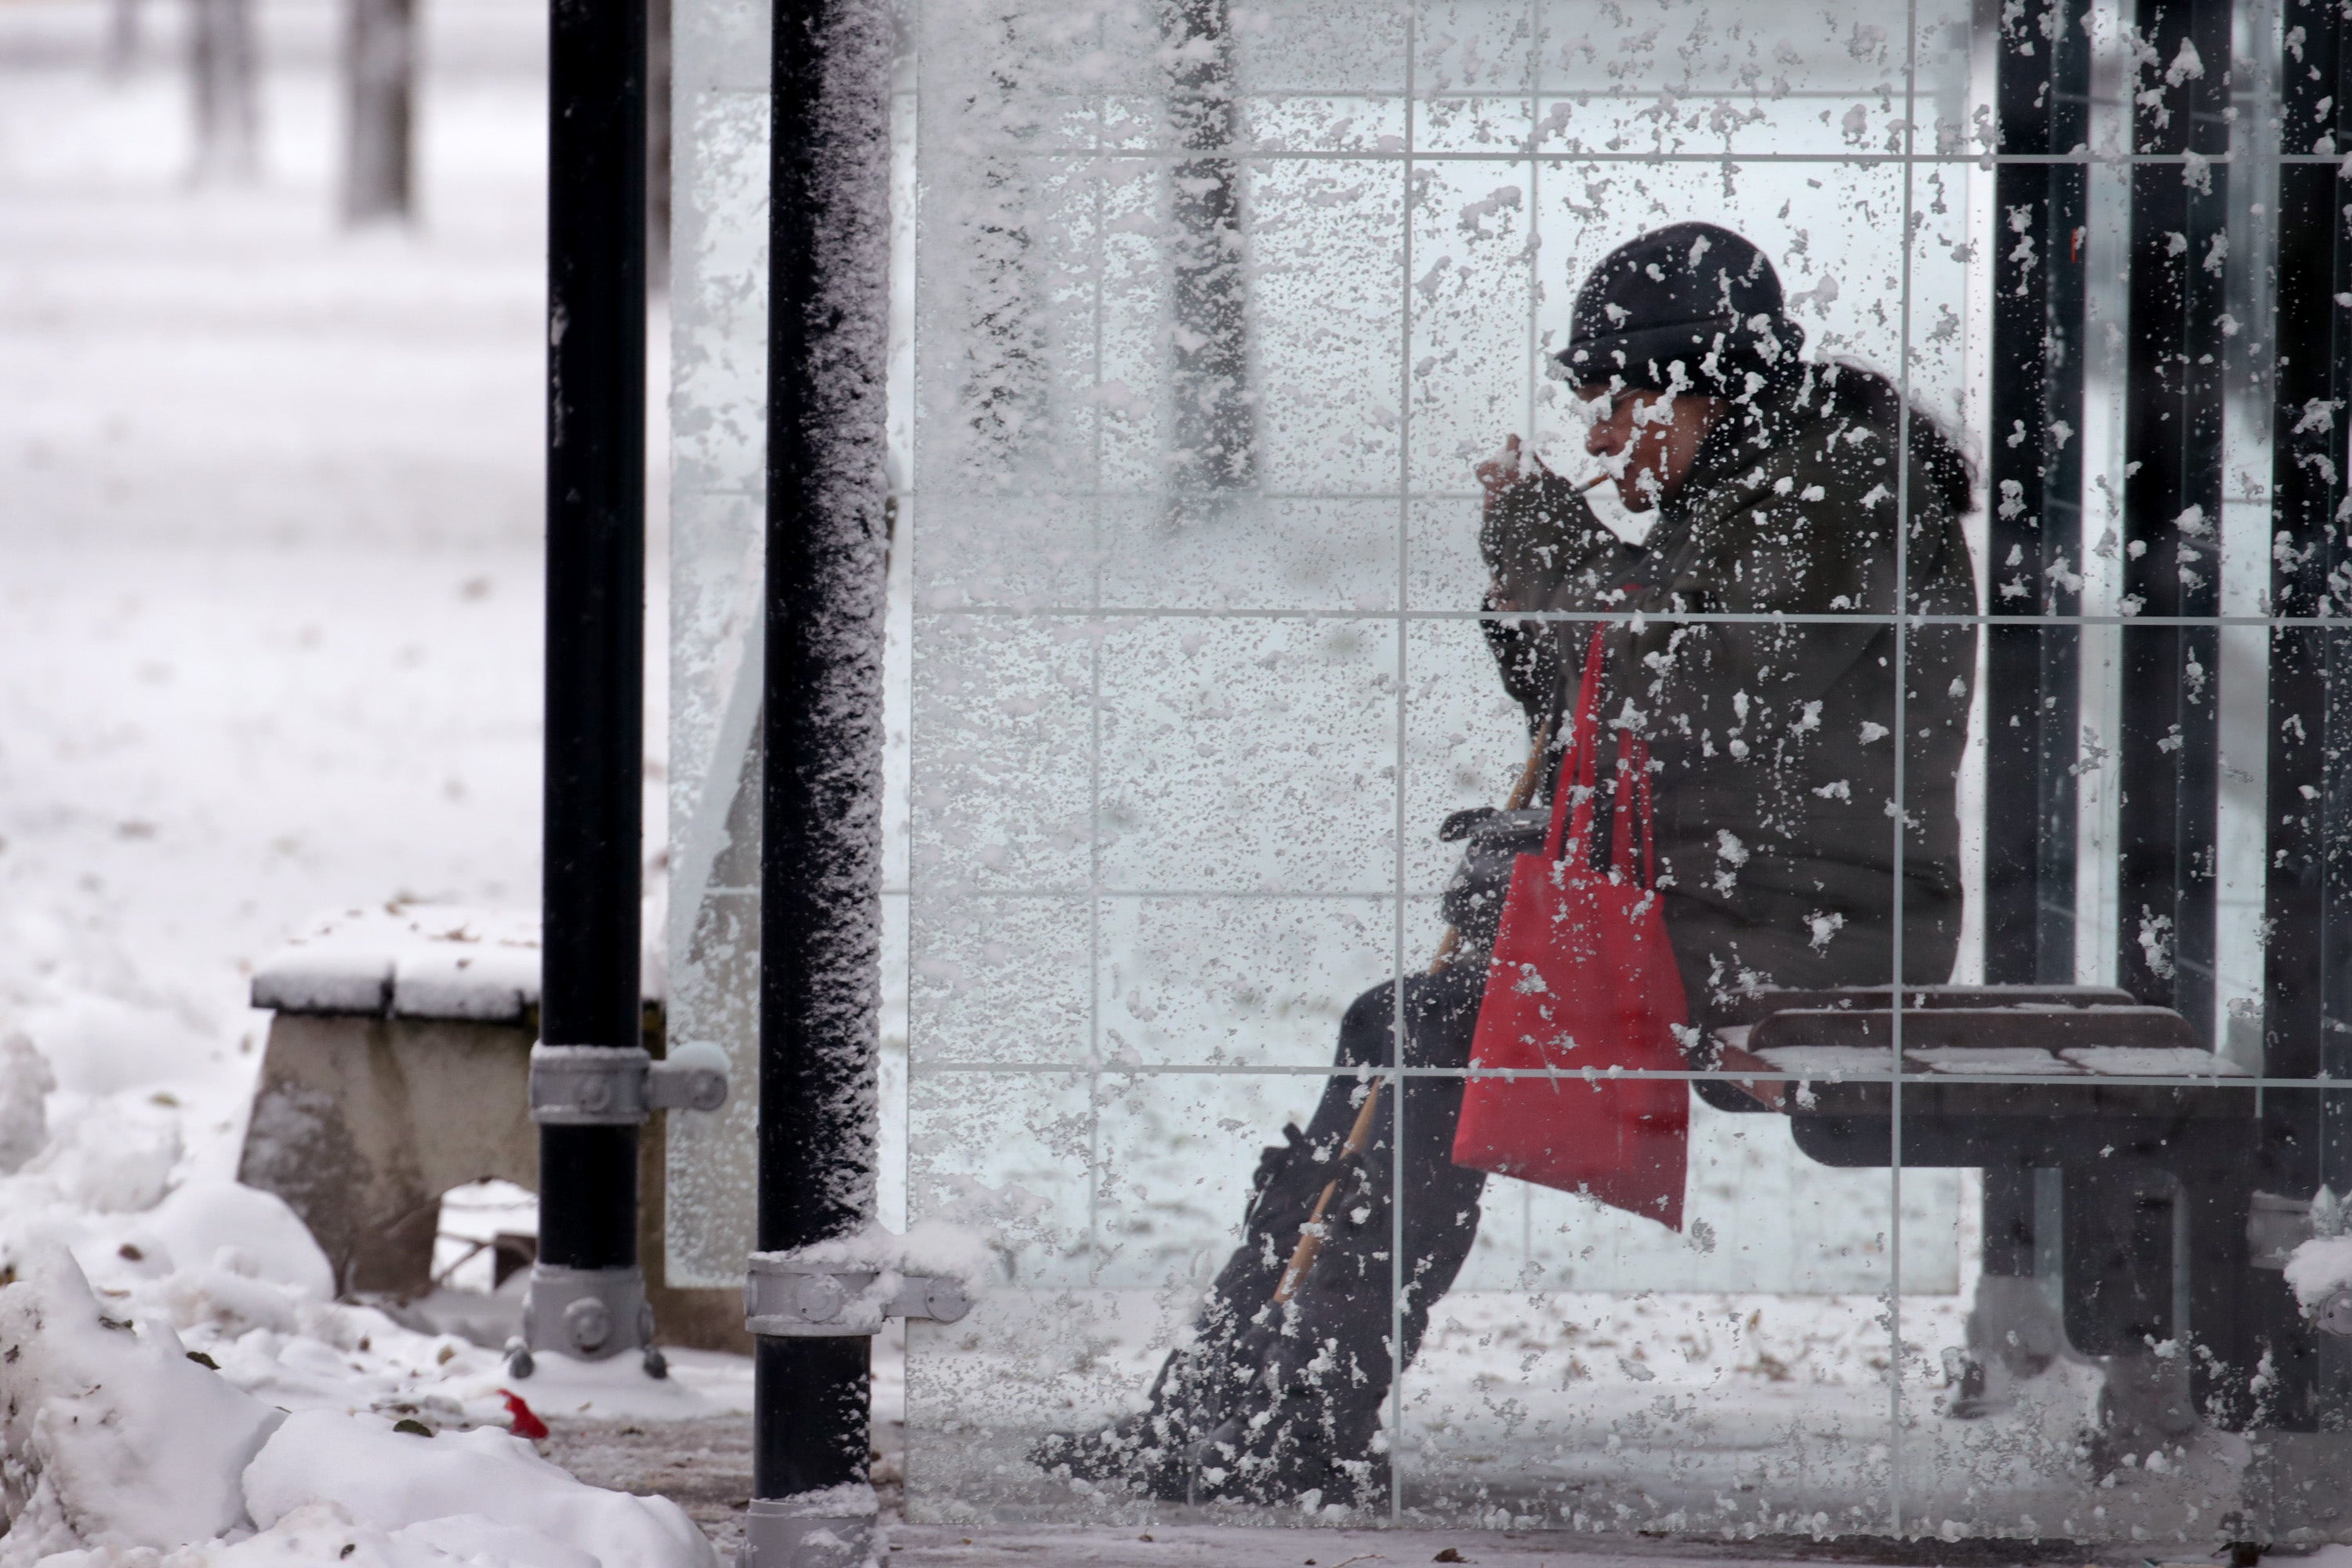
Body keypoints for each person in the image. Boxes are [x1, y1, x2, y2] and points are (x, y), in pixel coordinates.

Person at [1033, 220, 1980, 1509]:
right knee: (1406, 1023)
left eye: (1611, 401)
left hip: (1811, 934)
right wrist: (1537, 807)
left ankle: (1286, 1419)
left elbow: (1689, 695)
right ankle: (1234, 1398)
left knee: (1428, 1034)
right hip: (1731, 904)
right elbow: (1595, 710)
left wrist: (1548, 553)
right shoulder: (1765, 487)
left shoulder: (1845, 491)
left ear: (1696, 381)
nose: (1596, 439)